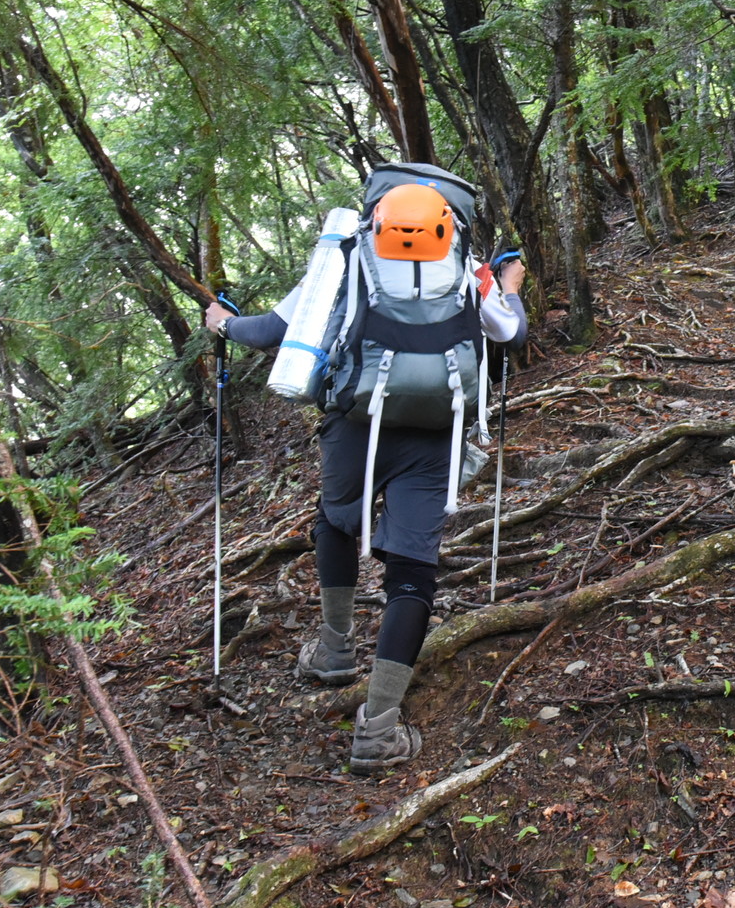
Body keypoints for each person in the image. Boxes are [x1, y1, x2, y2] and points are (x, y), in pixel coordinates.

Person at [206, 220, 527, 774]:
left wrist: (223, 323)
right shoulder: (465, 261)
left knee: (335, 521)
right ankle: (378, 729)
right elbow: (511, 335)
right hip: (434, 431)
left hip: (356, 421)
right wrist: (510, 287)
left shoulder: (348, 254)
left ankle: (335, 650)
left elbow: (268, 332)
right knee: (412, 569)